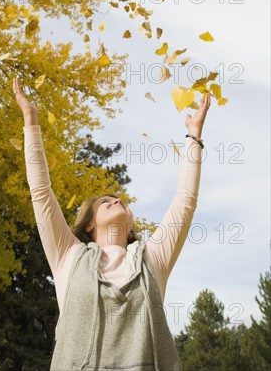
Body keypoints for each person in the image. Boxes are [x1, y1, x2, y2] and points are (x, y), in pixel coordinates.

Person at [13, 76, 211, 371]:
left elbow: (185, 201)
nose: (117, 201)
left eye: (122, 202)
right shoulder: (68, 255)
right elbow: (41, 192)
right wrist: (31, 120)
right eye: (106, 202)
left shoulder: (152, 259)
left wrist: (193, 136)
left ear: (130, 226)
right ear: (89, 225)